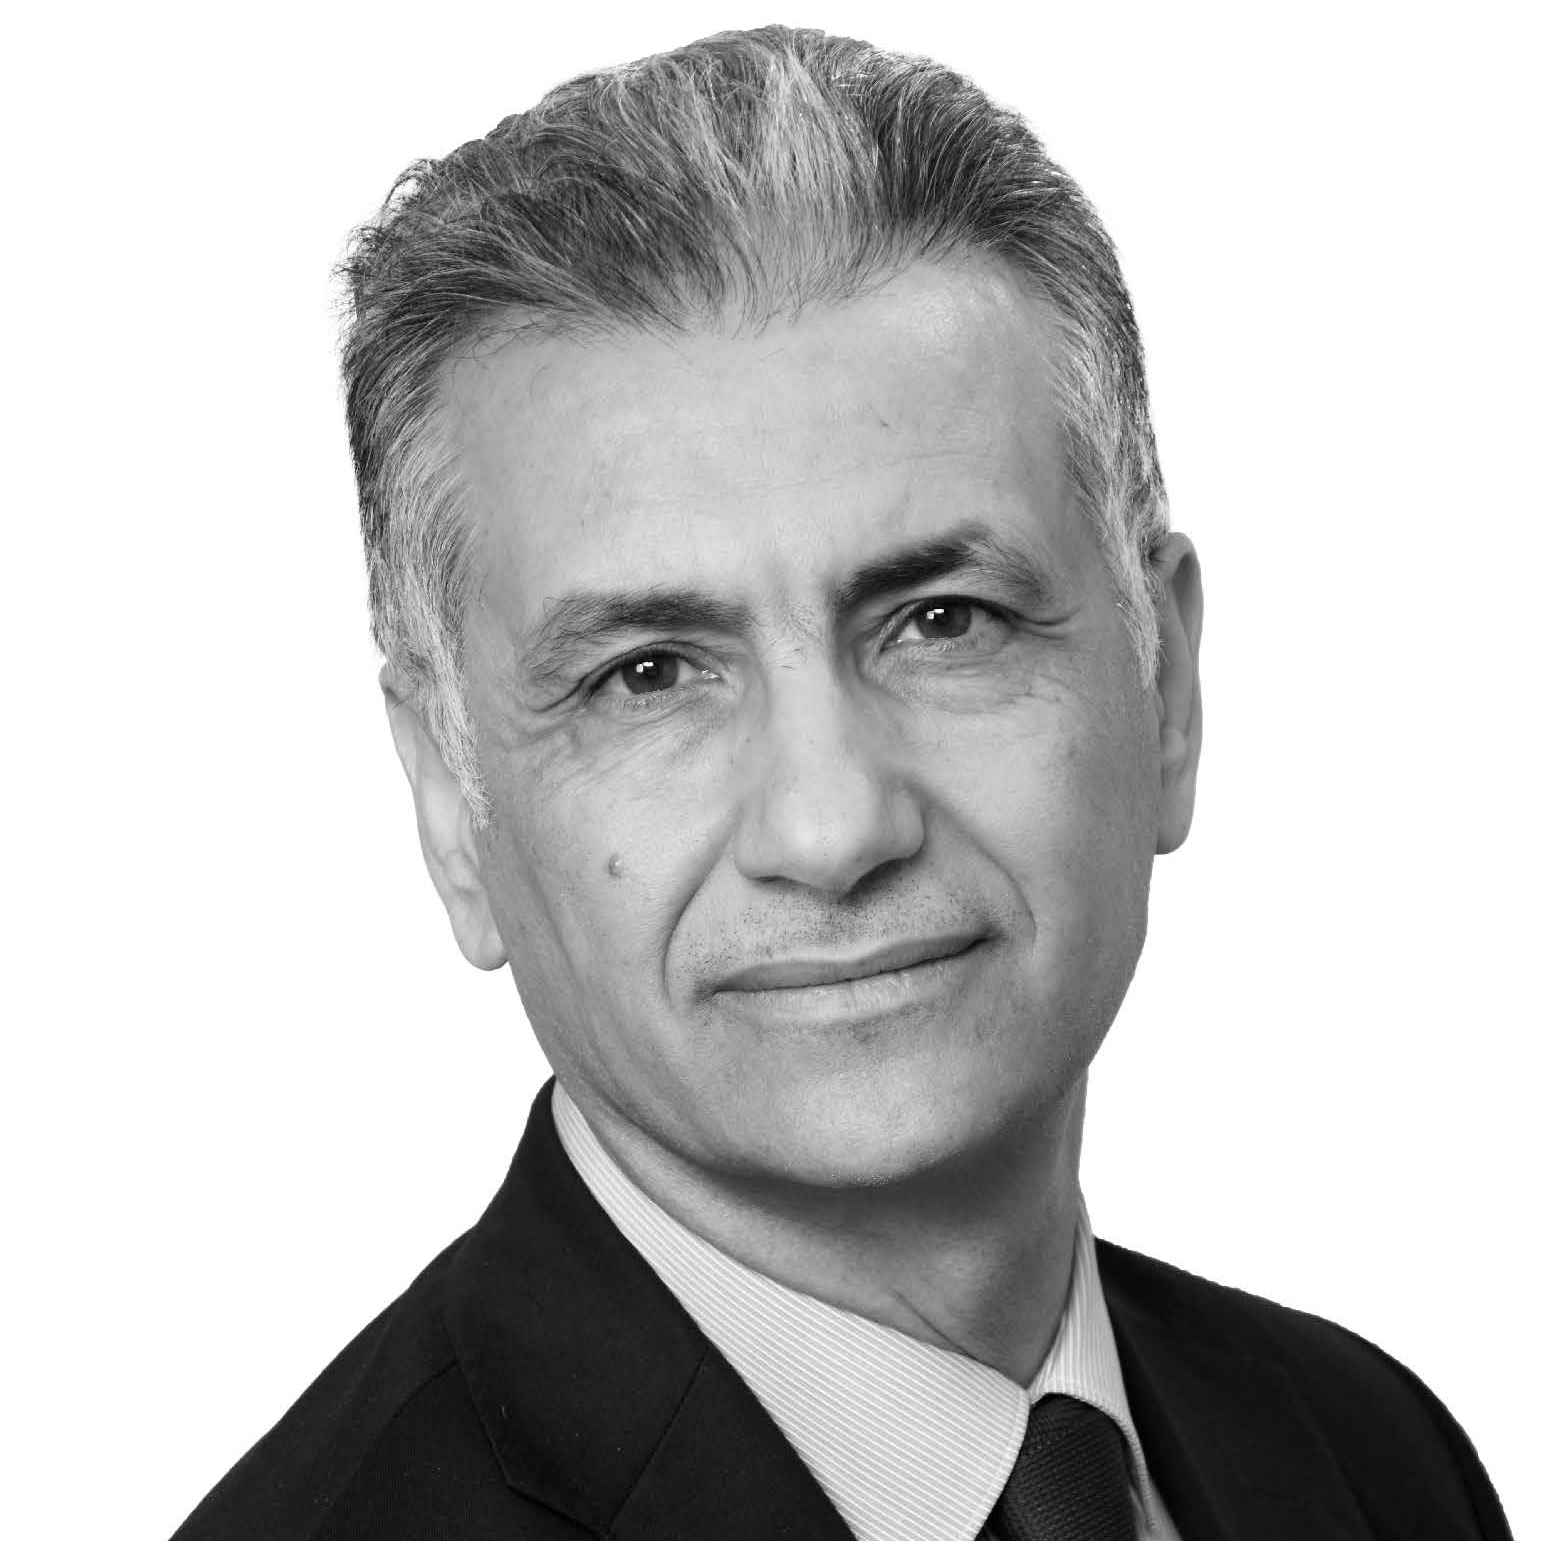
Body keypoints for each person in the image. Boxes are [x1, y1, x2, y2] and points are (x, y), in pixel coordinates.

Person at [171, 24, 1512, 1541]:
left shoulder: (1370, 1457)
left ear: (1168, 689)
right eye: (648, 674)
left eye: (943, 621)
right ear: (449, 806)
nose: (833, 827)